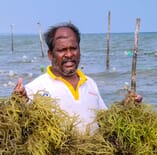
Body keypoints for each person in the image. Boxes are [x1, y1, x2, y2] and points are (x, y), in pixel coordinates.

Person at [13, 22, 141, 133]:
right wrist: (18, 103)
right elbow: (18, 125)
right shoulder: (35, 88)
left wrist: (126, 107)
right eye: (62, 50)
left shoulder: (90, 84)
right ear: (50, 55)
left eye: (73, 48)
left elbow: (105, 121)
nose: (69, 54)